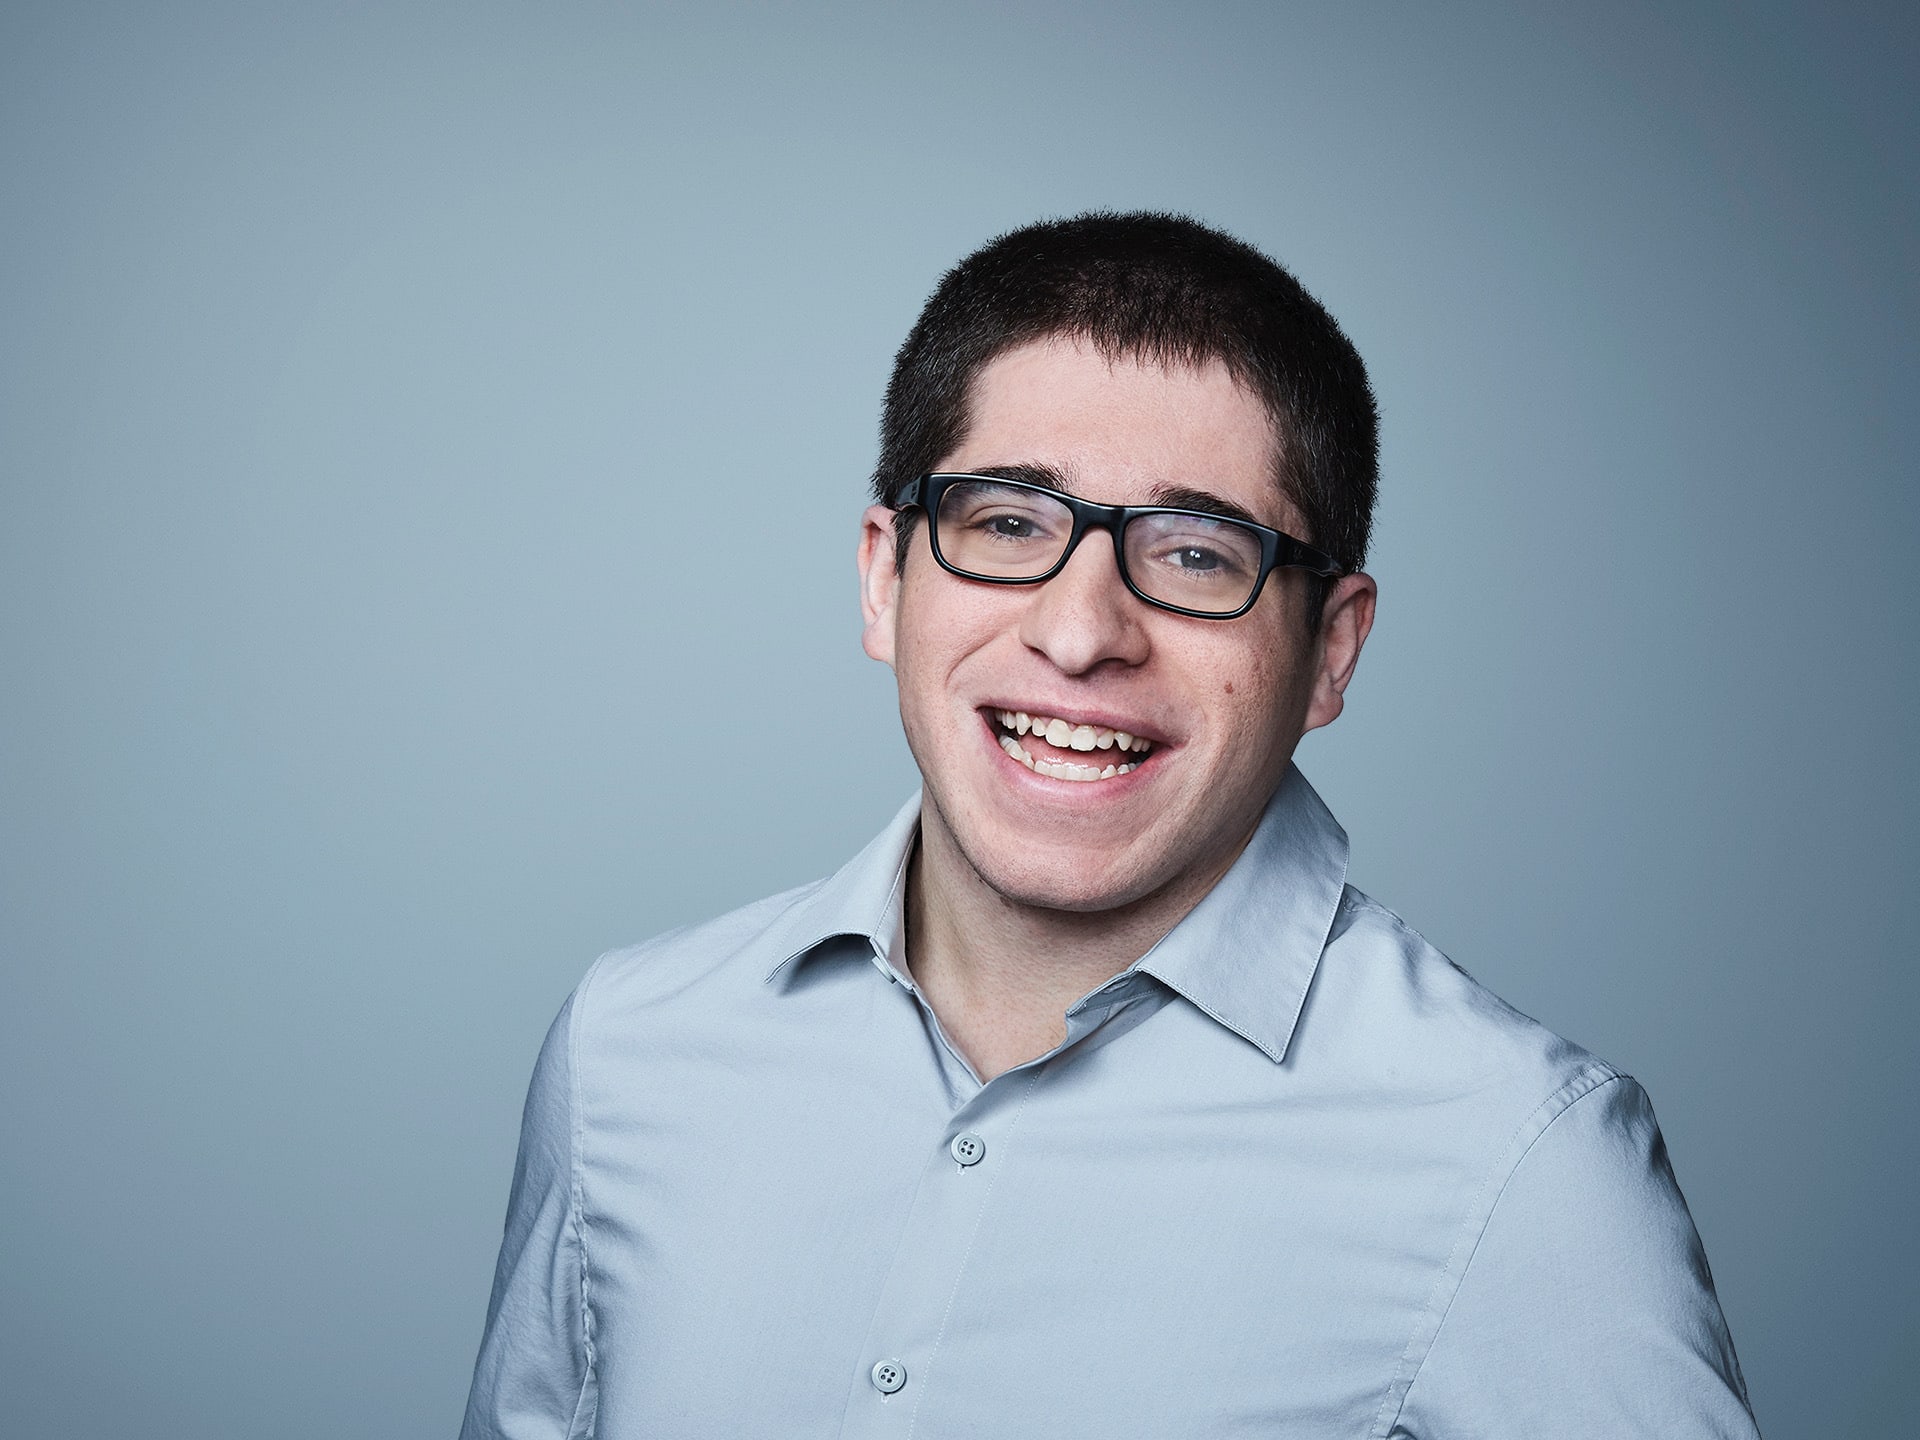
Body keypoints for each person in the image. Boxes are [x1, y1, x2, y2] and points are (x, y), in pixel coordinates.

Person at [459, 212, 1759, 1438]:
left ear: (1331, 649)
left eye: (1197, 554)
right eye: (1006, 523)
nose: (1081, 634)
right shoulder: (628, 1054)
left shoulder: (1519, 1167)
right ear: (884, 578)